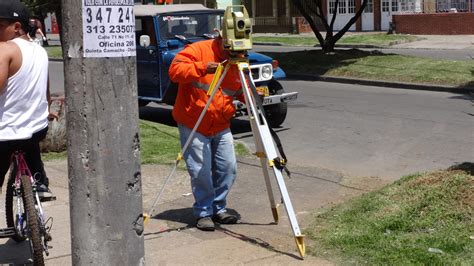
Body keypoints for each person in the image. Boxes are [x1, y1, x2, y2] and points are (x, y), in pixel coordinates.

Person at [169, 32, 246, 231]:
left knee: (228, 168)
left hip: (221, 124)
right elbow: (175, 71)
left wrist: (252, 96)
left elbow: (237, 89)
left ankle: (219, 208)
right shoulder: (198, 50)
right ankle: (204, 212)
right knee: (201, 171)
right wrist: (202, 67)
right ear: (221, 39)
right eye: (229, 50)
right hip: (194, 122)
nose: (233, 55)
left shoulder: (238, 59)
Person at [0, 0, 57, 201]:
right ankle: (40, 182)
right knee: (29, 137)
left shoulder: (5, 49)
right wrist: (47, 111)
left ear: (16, 27)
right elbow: (46, 93)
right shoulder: (40, 51)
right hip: (37, 129)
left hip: (4, 135)